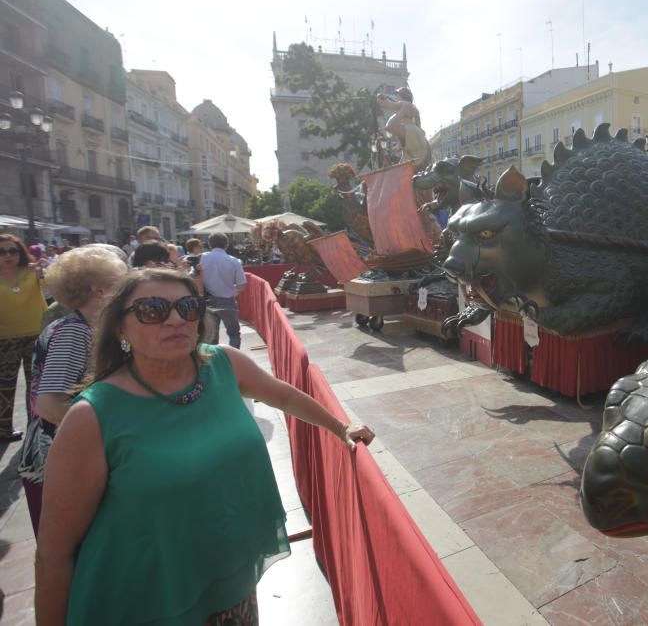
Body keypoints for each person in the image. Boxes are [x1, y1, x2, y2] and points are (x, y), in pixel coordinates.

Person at [35, 268, 374, 625]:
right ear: (120, 328)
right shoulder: (91, 417)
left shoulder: (223, 364)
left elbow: (283, 396)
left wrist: (340, 427)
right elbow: (54, 554)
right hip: (145, 602)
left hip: (230, 585)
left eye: (188, 307)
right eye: (152, 310)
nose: (175, 320)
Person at [16, 247, 128, 535]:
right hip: (60, 460)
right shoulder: (74, 332)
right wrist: (118, 425)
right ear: (99, 289)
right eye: (122, 283)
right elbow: (50, 406)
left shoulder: (84, 326)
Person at [0, 234, 47, 442]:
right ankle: (3, 429)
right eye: (2, 252)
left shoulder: (32, 271)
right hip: (5, 338)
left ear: (20, 252)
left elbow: (53, 290)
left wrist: (43, 274)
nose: (8, 256)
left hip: (37, 335)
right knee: (5, 385)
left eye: (13, 251)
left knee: (36, 383)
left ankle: (36, 426)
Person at [200, 232, 246, 349]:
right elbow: (242, 286)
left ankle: (213, 362)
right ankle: (234, 360)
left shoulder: (201, 258)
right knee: (234, 333)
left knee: (211, 336)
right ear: (226, 245)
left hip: (207, 300)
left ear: (210, 245)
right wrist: (230, 292)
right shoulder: (234, 261)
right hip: (227, 300)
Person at [376, 86, 431, 171]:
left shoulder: (407, 106)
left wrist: (396, 107)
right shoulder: (411, 125)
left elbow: (390, 126)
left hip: (415, 170)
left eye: (397, 95)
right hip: (415, 164)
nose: (396, 97)